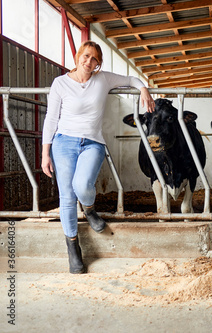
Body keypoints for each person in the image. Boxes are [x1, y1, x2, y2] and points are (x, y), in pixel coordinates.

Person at [41, 41, 155, 274]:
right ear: (77, 57)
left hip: (93, 142)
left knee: (82, 185)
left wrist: (143, 88)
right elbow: (51, 119)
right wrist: (45, 153)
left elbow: (131, 79)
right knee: (67, 196)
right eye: (85, 56)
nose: (89, 62)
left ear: (98, 64)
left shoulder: (103, 79)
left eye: (94, 59)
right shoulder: (60, 83)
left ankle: (90, 209)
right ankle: (73, 249)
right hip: (63, 143)